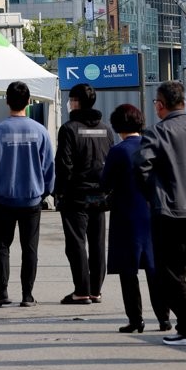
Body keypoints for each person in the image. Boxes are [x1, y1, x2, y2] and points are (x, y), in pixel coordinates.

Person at [135, 81, 186, 346]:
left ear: (160, 105)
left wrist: (152, 195)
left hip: (169, 212)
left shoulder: (156, 133)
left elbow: (141, 167)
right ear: (184, 102)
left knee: (172, 272)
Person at [0, 81, 55, 308]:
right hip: (32, 198)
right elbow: (48, 167)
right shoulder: (40, 131)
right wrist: (45, 191)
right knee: (29, 248)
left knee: (1, 247)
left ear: (7, 101)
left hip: (3, 198)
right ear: (28, 102)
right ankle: (27, 295)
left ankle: (2, 292)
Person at [101, 104, 170, 333]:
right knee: (155, 268)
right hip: (153, 214)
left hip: (125, 215)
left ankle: (136, 319)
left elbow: (105, 183)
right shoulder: (153, 146)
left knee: (128, 271)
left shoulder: (118, 151)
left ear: (118, 125)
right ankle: (164, 317)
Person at [55, 83, 115, 305]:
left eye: (71, 99)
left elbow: (64, 165)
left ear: (76, 102)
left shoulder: (69, 129)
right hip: (99, 195)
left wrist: (59, 192)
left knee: (76, 243)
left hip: (76, 195)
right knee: (98, 242)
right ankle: (96, 290)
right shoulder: (106, 129)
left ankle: (81, 290)